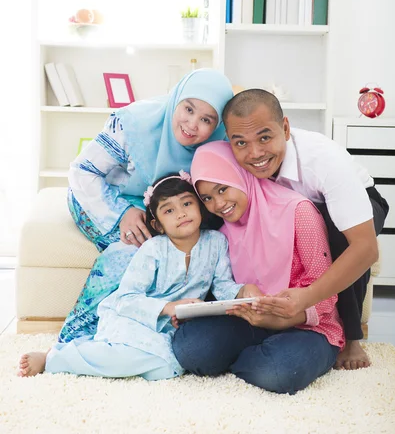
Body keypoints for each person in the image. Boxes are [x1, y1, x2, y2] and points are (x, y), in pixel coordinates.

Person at [18, 172, 262, 379]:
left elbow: (222, 285)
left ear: (199, 206)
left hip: (172, 329)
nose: (181, 214)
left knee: (168, 368)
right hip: (134, 318)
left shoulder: (216, 242)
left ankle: (97, 350)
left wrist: (242, 292)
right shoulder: (154, 249)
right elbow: (126, 297)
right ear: (157, 225)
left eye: (187, 204)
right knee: (124, 357)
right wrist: (167, 307)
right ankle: (55, 357)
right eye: (169, 210)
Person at [58, 69, 234, 343]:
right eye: (188, 109)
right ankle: (73, 339)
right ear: (177, 98)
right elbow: (82, 171)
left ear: (218, 124)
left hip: (159, 210)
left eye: (206, 119)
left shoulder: (218, 145)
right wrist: (122, 213)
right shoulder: (134, 123)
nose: (191, 124)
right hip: (102, 196)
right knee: (131, 255)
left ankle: (144, 336)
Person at [221, 89, 389, 370]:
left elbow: (365, 247)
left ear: (285, 128)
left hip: (359, 201)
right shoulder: (235, 159)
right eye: (241, 143)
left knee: (340, 237)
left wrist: (308, 297)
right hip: (294, 212)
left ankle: (350, 337)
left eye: (265, 137)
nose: (255, 153)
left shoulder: (323, 161)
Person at [172, 141, 345, 395]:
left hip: (307, 325)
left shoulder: (298, 211)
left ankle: (254, 358)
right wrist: (196, 307)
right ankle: (256, 355)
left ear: (240, 176)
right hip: (251, 321)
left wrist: (283, 318)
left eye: (223, 189)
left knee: (279, 371)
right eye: (207, 198)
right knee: (190, 347)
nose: (218, 204)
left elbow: (326, 291)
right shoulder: (222, 232)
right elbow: (224, 286)